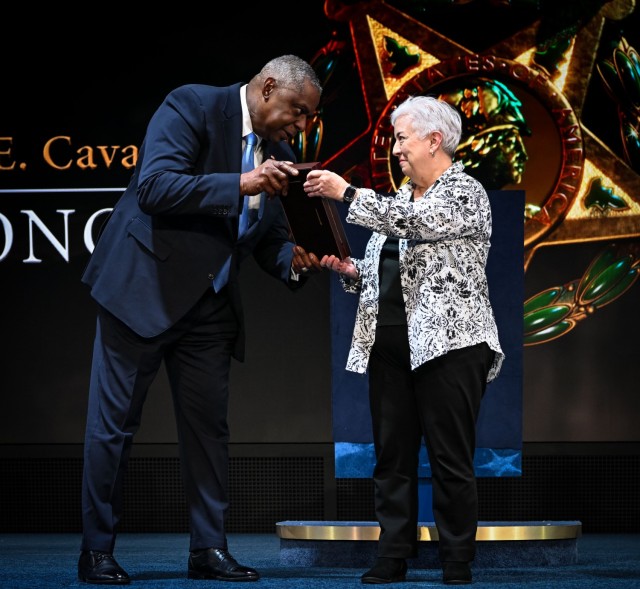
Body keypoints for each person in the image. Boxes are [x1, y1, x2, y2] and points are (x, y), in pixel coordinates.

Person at [77, 54, 324, 585]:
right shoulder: (192, 105)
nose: (301, 125)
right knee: (113, 430)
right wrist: (241, 183)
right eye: (297, 111)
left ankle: (208, 549)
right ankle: (96, 551)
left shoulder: (279, 154)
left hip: (209, 307)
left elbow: (270, 239)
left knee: (209, 433)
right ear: (268, 86)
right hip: (140, 291)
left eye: (307, 118)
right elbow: (156, 187)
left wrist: (295, 263)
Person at [303, 95, 504, 585]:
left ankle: (457, 559)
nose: (395, 149)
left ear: (435, 140)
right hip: (390, 344)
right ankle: (392, 553)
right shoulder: (396, 200)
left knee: (449, 456)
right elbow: (385, 268)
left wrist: (345, 192)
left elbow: (417, 227)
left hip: (450, 346)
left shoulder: (465, 192)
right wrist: (351, 271)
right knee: (391, 457)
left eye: (402, 138)